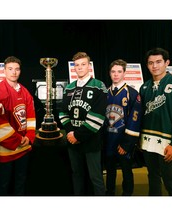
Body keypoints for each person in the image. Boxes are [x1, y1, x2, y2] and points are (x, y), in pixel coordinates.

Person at [139, 47, 172, 196]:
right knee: (153, 178)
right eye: (150, 63)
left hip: (168, 145)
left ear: (167, 63)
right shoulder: (144, 87)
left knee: (171, 183)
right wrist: (141, 140)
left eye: (158, 62)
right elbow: (143, 116)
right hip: (149, 142)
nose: (154, 66)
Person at [59, 52, 107, 195]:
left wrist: (78, 135)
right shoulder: (69, 87)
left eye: (83, 64)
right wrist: (70, 133)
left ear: (89, 66)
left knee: (95, 177)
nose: (80, 68)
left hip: (91, 139)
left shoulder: (99, 86)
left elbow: (98, 116)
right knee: (77, 174)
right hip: (72, 140)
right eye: (77, 65)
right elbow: (62, 113)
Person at [0, 56, 36, 195]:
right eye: (10, 69)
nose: (14, 72)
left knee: (21, 181)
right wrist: (19, 140)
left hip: (24, 144)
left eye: (17, 69)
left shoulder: (25, 92)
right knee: (5, 183)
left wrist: (29, 136)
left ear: (20, 71)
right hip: (7, 147)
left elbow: (31, 116)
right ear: (4, 71)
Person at [104, 59, 142, 196]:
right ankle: (109, 192)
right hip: (109, 140)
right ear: (109, 73)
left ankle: (127, 194)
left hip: (123, 141)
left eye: (119, 71)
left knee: (126, 170)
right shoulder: (105, 93)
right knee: (110, 170)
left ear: (124, 73)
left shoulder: (132, 93)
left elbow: (135, 120)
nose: (116, 74)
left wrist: (127, 144)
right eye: (113, 71)